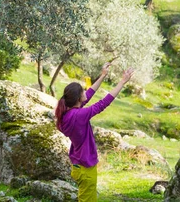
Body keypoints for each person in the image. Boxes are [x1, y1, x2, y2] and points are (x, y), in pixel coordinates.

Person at [55, 62, 135, 202]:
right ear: (78, 99)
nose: (85, 93)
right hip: (86, 167)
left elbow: (90, 93)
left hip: (78, 165)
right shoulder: (79, 115)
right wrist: (122, 82)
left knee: (84, 198)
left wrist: (103, 75)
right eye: (82, 92)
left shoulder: (68, 114)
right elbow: (103, 103)